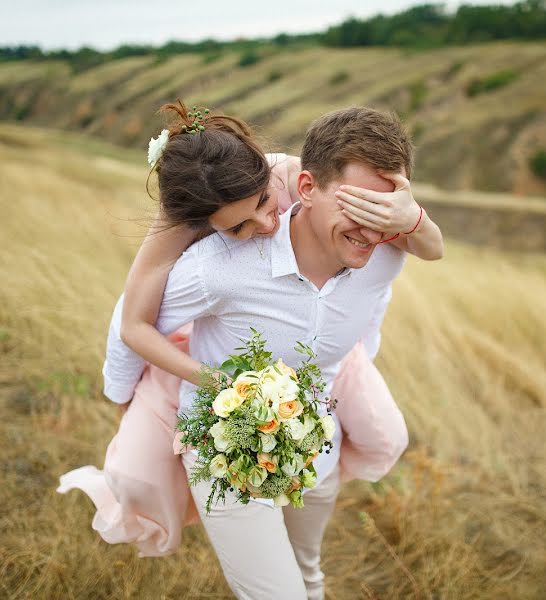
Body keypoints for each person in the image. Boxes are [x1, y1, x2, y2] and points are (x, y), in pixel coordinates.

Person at [58, 104, 443, 597]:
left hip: (314, 449)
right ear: (306, 190)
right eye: (357, 207)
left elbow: (391, 287)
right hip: (228, 453)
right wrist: (123, 397)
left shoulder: (388, 251)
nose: (373, 228)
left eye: (384, 211)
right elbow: (132, 322)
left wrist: (409, 224)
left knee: (308, 575)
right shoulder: (218, 265)